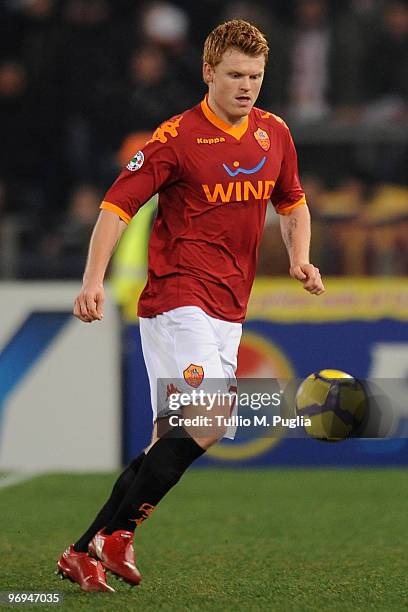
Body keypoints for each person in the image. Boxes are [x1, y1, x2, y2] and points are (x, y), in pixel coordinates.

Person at [56, 19, 325, 592]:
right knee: (212, 419)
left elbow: (293, 202)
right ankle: (117, 535)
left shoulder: (273, 133)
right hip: (179, 298)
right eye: (234, 75)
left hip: (229, 308)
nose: (246, 86)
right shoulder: (176, 137)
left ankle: (82, 552)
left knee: (169, 441)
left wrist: (301, 257)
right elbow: (115, 206)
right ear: (208, 72)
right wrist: (93, 280)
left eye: (255, 76)